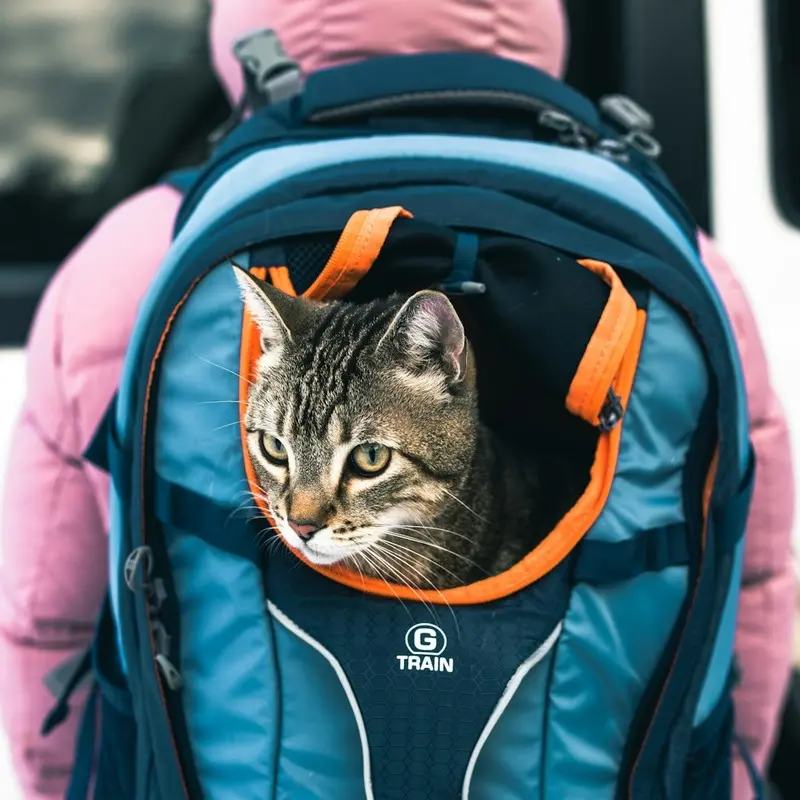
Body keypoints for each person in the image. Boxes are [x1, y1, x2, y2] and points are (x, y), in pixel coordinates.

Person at [0, 1, 793, 797]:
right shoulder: (692, 263)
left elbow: (47, 618)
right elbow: (751, 592)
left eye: (365, 460)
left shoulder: (132, 250)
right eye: (273, 453)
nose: (301, 514)